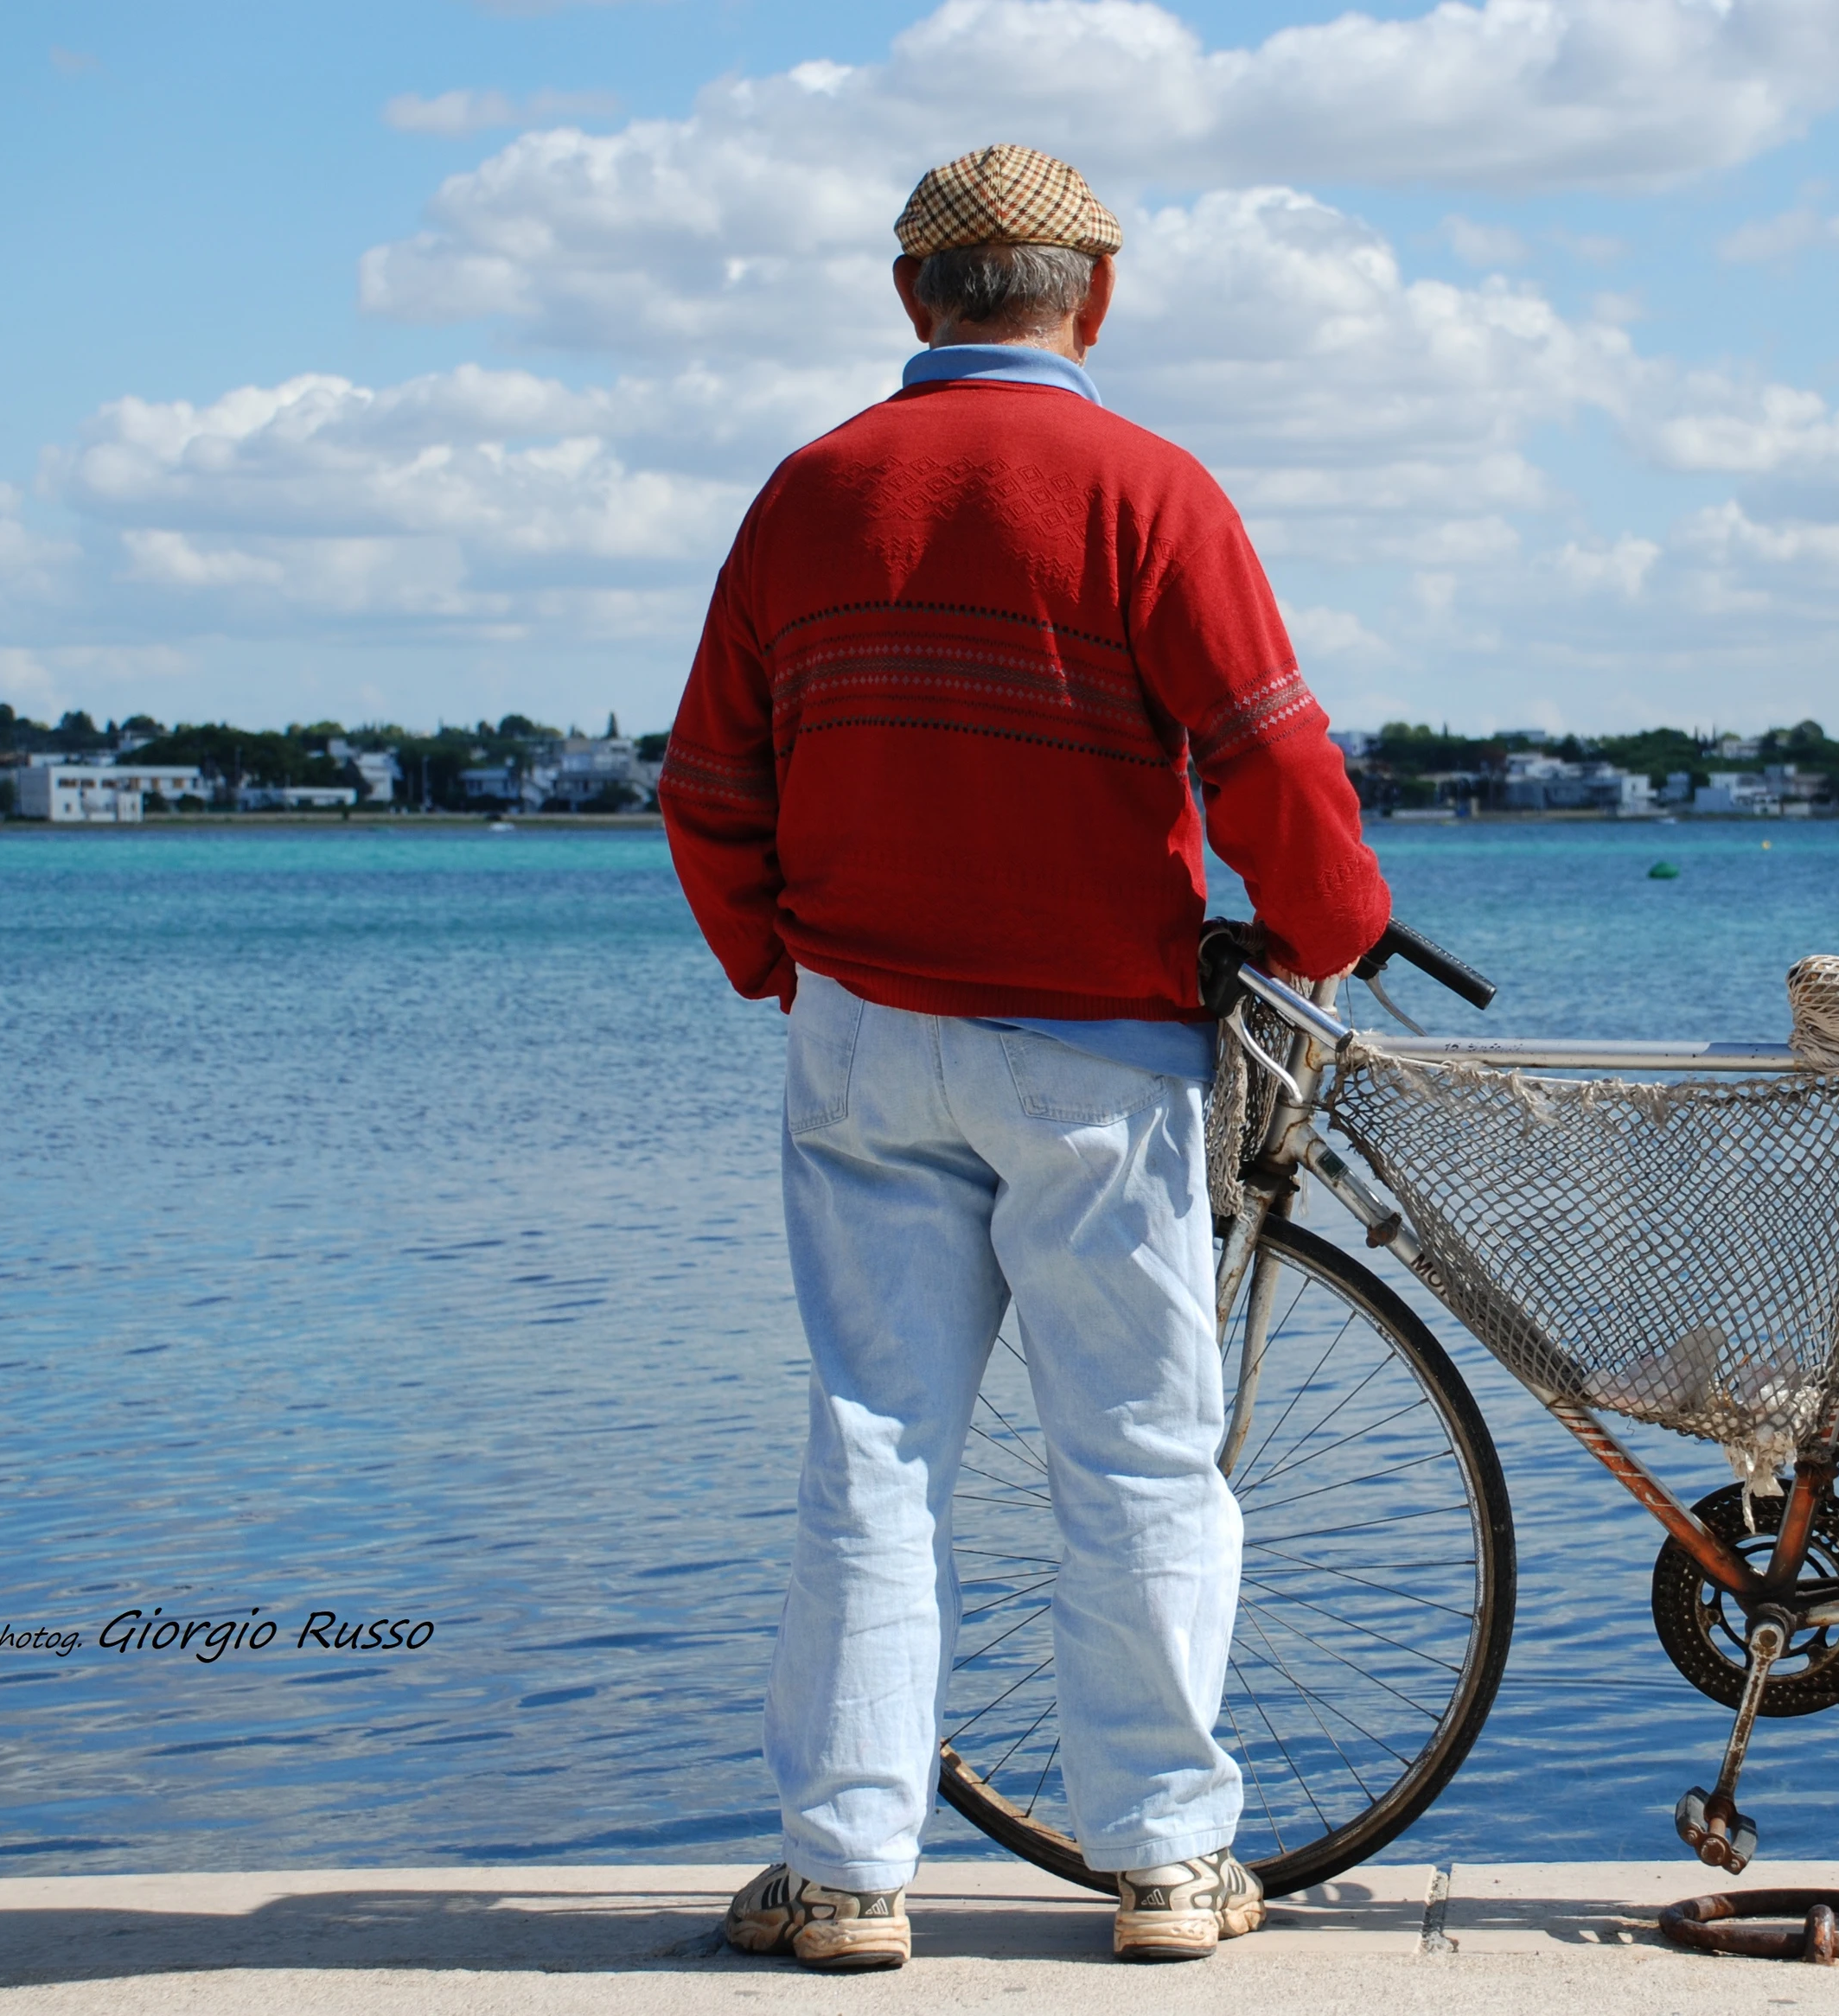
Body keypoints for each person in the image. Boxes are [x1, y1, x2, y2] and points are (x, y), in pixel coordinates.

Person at [661, 144, 1389, 1972]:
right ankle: (1159, 1859)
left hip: (863, 1038)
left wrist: (771, 956)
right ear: (1098, 298)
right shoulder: (1150, 491)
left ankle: (845, 1869)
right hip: (1098, 1051)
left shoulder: (809, 494)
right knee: (1139, 1450)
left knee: (873, 1441)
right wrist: (1322, 933)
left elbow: (707, 784)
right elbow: (1272, 770)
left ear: (912, 299)